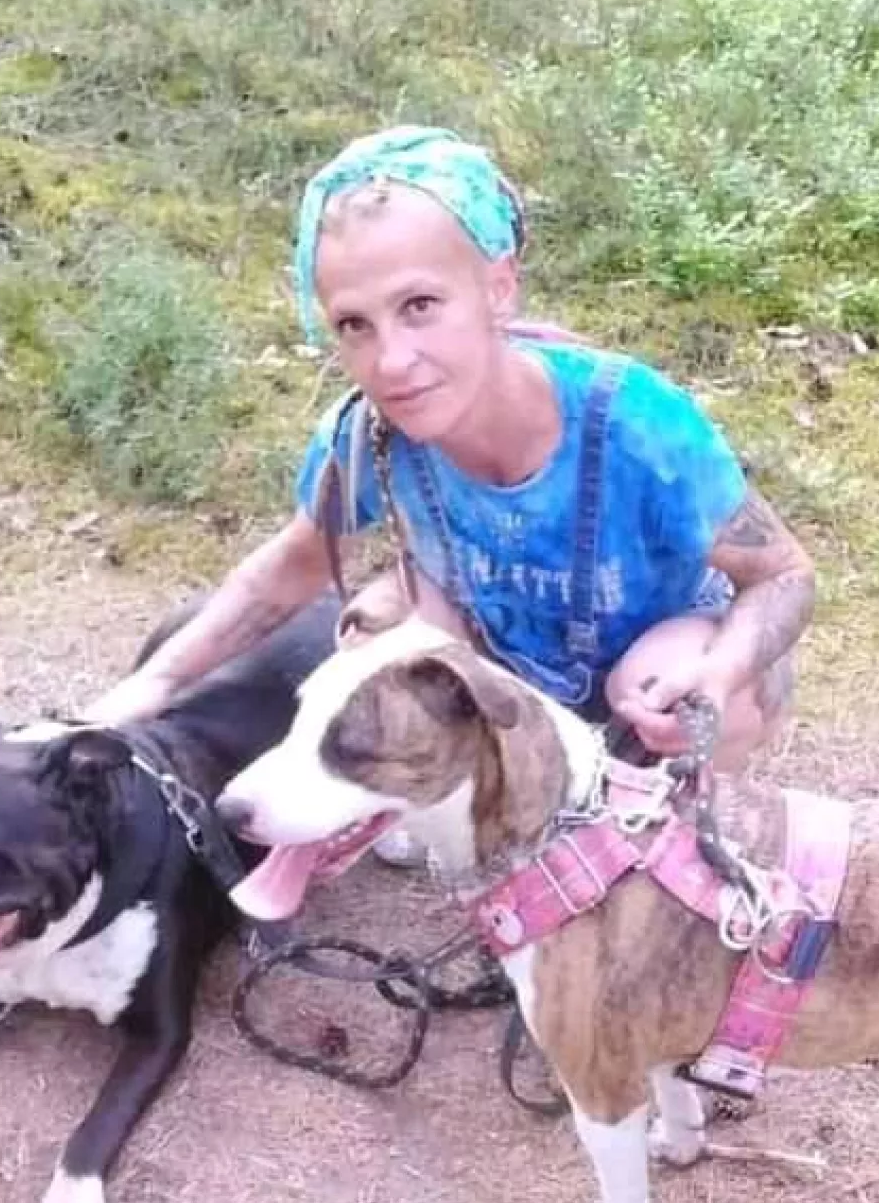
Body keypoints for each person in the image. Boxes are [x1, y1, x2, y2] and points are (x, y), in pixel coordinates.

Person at [88, 126, 815, 777]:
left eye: (420, 307)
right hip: (502, 665)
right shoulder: (366, 434)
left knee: (667, 685)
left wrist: (720, 674)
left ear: (497, 288)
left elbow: (783, 575)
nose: (392, 361)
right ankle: (467, 804)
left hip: (659, 657)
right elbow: (288, 569)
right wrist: (155, 683)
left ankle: (685, 819)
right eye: (354, 325)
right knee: (377, 633)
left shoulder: (635, 422)